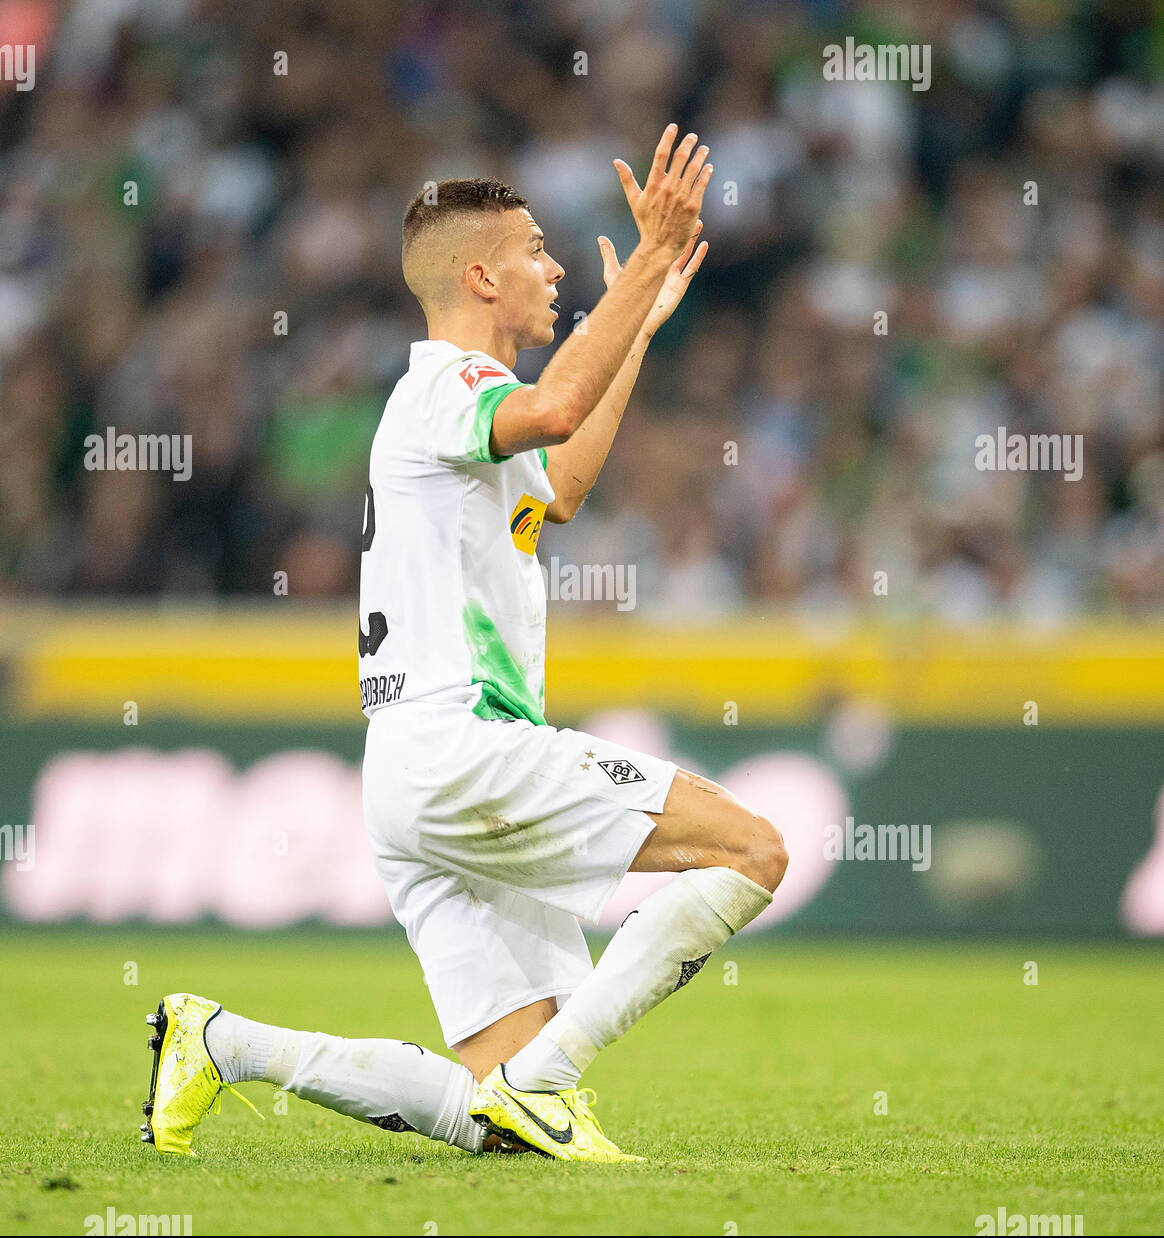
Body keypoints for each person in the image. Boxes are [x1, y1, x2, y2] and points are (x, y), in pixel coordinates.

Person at [140, 126, 788, 1164]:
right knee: (753, 849)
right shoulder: (446, 385)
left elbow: (562, 484)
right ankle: (546, 1083)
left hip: (415, 775)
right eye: (538, 248)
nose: (559, 266)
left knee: (496, 1123)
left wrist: (636, 331)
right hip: (464, 747)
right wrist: (653, 261)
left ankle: (220, 1041)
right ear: (482, 272)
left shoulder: (462, 417)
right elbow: (557, 404)